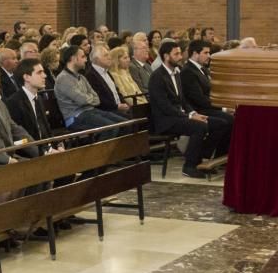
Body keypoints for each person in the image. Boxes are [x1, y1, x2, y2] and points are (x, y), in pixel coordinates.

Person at [148, 41, 229, 178]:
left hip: (178, 116)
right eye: (176, 54)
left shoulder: (176, 73)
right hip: (165, 120)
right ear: (166, 56)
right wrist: (189, 117)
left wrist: (193, 112)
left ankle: (203, 159)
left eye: (180, 53)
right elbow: (165, 107)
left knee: (221, 124)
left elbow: (183, 100)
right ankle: (189, 166)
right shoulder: (157, 77)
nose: (180, 57)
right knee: (199, 127)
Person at [55, 46, 128, 138]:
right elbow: (82, 100)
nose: (86, 60)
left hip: (90, 111)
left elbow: (97, 99)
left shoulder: (82, 77)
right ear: (73, 58)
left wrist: (88, 99)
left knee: (126, 123)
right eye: (82, 57)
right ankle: (102, 152)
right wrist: (89, 99)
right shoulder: (63, 78)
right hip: (75, 117)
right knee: (110, 128)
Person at [85, 45, 133, 116]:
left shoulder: (107, 72)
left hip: (119, 108)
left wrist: (124, 103)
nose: (109, 58)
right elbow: (99, 99)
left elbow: (116, 92)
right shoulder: (90, 75)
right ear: (97, 59)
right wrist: (117, 106)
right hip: (107, 111)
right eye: (106, 55)